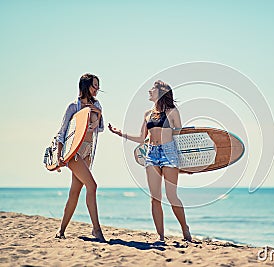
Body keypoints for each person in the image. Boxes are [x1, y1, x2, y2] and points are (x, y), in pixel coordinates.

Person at [108, 80, 191, 242]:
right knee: (155, 198)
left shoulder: (173, 112)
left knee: (172, 196)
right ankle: (161, 236)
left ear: (160, 92)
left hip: (170, 153)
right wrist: (121, 134)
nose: (149, 91)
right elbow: (141, 138)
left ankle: (184, 228)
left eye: (152, 89)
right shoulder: (147, 114)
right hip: (151, 154)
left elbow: (180, 137)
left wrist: (187, 164)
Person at [55, 73, 106, 242]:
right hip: (75, 153)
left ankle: (61, 230)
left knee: (74, 192)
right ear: (85, 86)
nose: (97, 89)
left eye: (98, 86)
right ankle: (96, 230)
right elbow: (62, 132)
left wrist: (98, 113)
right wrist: (59, 155)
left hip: (88, 151)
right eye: (94, 86)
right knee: (92, 185)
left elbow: (100, 128)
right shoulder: (73, 106)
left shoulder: (97, 104)